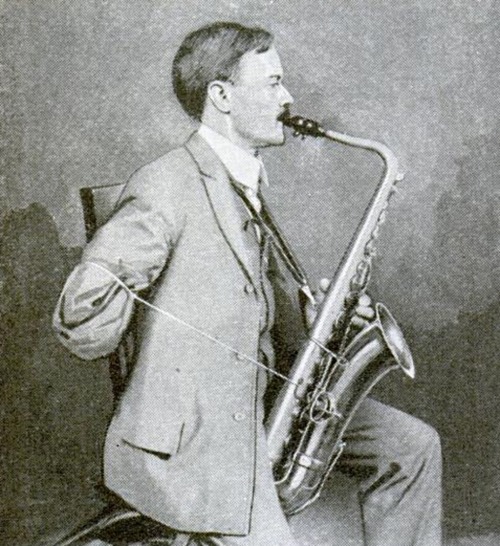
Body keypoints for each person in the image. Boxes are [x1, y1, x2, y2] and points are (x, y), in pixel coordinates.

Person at [53, 21, 442, 546]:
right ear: (222, 96)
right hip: (196, 440)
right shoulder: (164, 184)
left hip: (261, 405)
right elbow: (80, 323)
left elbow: (253, 302)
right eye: (273, 83)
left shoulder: (247, 180)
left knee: (413, 447)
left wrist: (319, 317)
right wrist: (116, 290)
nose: (289, 98)